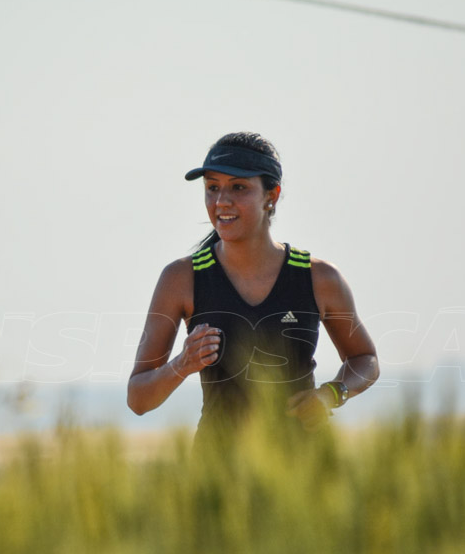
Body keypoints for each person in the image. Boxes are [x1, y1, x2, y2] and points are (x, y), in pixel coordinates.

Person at [127, 132, 379, 447]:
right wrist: (182, 364)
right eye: (212, 188)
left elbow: (365, 359)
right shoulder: (181, 278)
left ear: (271, 195)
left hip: (301, 473)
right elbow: (138, 399)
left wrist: (332, 393)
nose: (221, 201)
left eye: (239, 187)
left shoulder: (319, 278)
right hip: (215, 475)